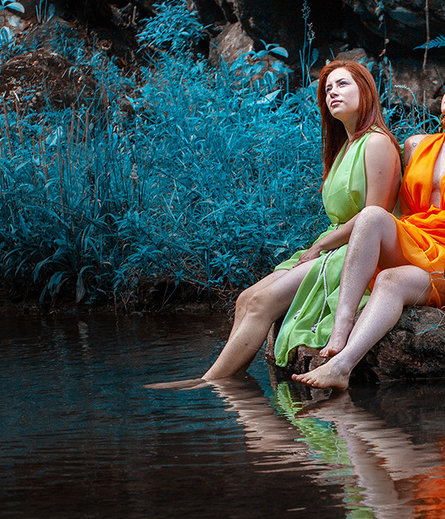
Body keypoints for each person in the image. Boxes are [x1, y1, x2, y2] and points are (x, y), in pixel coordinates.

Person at [151, 60, 401, 386]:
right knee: (245, 298)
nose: (332, 94)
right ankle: (224, 379)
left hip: (358, 249)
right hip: (332, 243)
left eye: (342, 85)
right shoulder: (345, 146)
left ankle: (211, 383)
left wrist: (321, 245)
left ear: (365, 91)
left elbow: (375, 215)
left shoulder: (377, 142)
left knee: (261, 304)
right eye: (327, 89)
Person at [293, 70, 445, 390]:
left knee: (389, 280)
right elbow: (392, 206)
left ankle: (341, 366)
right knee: (372, 215)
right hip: (413, 237)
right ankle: (341, 328)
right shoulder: (416, 145)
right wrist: (324, 245)